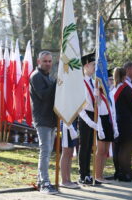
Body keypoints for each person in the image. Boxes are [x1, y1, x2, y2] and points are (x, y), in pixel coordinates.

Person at [30, 51, 57, 195]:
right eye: (45, 61)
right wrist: (58, 83)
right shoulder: (36, 76)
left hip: (51, 119)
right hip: (42, 119)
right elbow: (44, 95)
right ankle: (45, 183)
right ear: (38, 61)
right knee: (45, 151)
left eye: (50, 61)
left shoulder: (49, 78)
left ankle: (41, 180)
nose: (48, 63)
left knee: (47, 151)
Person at [78, 52, 103, 185]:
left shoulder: (94, 82)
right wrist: (88, 121)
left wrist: (98, 96)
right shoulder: (80, 81)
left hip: (94, 115)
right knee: (84, 147)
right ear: (86, 65)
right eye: (93, 65)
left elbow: (97, 102)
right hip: (84, 116)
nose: (95, 68)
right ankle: (83, 175)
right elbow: (79, 104)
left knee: (90, 147)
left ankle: (89, 174)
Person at [112, 67, 132, 182]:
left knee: (117, 148)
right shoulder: (126, 89)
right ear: (124, 77)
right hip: (126, 122)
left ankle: (118, 171)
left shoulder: (112, 89)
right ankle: (125, 172)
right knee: (126, 148)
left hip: (115, 121)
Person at [95, 77, 119, 184]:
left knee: (105, 151)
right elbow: (97, 112)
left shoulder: (108, 94)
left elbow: (112, 111)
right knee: (100, 150)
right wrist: (99, 127)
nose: (109, 82)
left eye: (110, 80)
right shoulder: (97, 94)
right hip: (101, 121)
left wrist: (115, 127)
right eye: (108, 79)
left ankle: (101, 175)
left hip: (108, 121)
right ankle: (97, 175)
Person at [60, 120, 80, 189]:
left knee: (70, 153)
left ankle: (68, 179)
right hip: (67, 123)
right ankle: (64, 181)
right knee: (66, 152)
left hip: (72, 122)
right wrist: (70, 126)